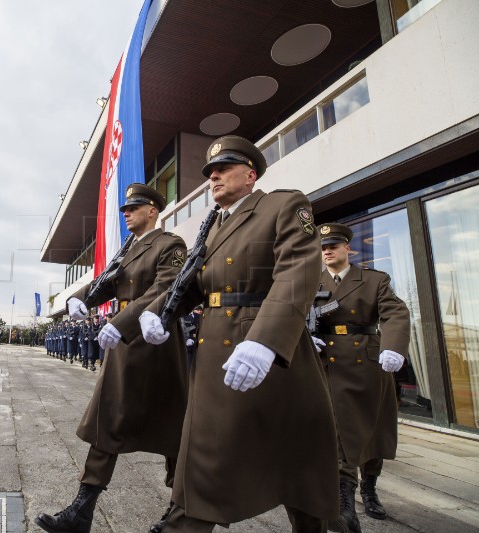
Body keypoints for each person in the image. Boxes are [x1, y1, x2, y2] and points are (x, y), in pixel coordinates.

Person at [139, 135, 339, 532]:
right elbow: (193, 282)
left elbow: (298, 270)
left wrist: (264, 340)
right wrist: (156, 312)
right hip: (217, 354)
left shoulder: (282, 205)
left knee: (296, 467)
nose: (213, 177)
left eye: (223, 169)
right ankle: (185, 520)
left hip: (268, 355)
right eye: (209, 172)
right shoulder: (214, 227)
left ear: (250, 174)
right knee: (205, 454)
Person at [35, 183, 188, 533]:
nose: (126, 214)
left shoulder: (170, 245)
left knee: (174, 433)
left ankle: (180, 513)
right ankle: (81, 511)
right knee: (105, 424)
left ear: (153, 211)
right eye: (125, 209)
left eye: (133, 208)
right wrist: (80, 298)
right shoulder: (128, 249)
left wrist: (121, 323)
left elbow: (163, 289)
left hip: (156, 347)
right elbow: (105, 282)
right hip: (122, 347)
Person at [314, 223, 410, 532]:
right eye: (322, 247)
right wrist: (303, 337)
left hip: (367, 364)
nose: (327, 250)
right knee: (340, 431)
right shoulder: (310, 281)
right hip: (326, 363)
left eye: (333, 245)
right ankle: (344, 504)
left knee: (372, 431)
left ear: (347, 249)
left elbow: (395, 312)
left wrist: (393, 345)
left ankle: (369, 489)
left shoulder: (372, 280)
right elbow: (293, 313)